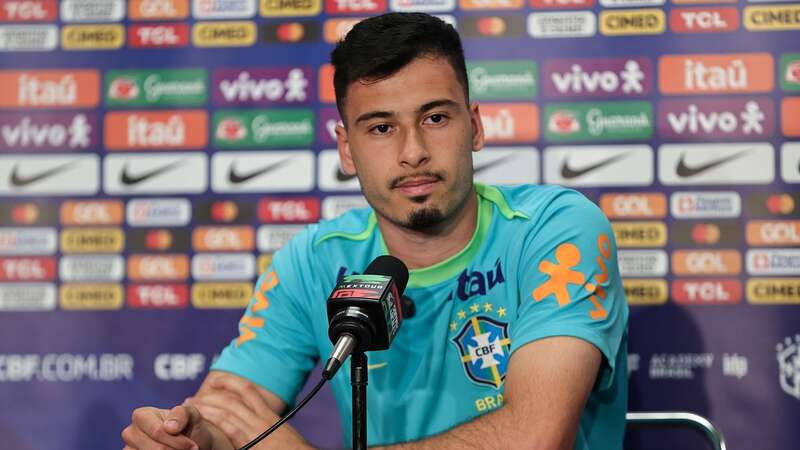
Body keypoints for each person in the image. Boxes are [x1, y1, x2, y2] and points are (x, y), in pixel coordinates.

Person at [122, 12, 628, 450]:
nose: (412, 152)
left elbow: (535, 439)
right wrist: (185, 434)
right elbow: (229, 411)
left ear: (474, 126)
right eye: (381, 127)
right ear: (346, 148)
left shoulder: (555, 229)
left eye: (434, 117)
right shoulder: (313, 261)